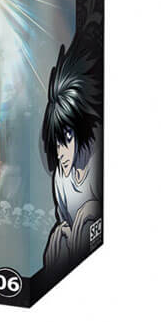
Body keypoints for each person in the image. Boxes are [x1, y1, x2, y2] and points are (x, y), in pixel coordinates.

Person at [42, 43, 103, 270]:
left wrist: (90, 210)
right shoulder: (61, 178)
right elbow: (64, 223)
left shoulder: (97, 163)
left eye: (66, 139)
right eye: (57, 143)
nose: (61, 153)